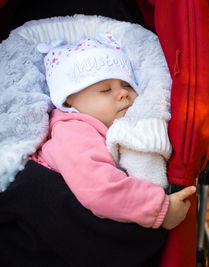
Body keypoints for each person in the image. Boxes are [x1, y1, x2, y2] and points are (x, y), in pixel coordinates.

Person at [33, 35, 195, 230]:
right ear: (68, 101)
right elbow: (99, 188)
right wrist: (161, 208)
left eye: (127, 84)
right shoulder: (72, 131)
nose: (123, 93)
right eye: (104, 90)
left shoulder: (118, 127)